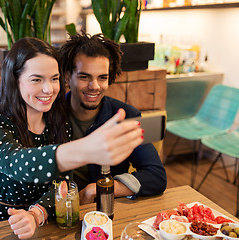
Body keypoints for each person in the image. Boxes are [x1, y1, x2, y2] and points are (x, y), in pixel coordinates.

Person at [0, 37, 143, 240]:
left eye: (54, 79)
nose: (49, 89)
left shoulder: (58, 122)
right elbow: (20, 164)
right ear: (14, 80)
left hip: (39, 225)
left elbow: (63, 184)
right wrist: (85, 149)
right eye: (37, 80)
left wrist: (35, 215)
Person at [59, 32, 167, 205]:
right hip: (57, 214)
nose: (94, 86)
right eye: (84, 77)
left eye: (102, 78)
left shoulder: (127, 115)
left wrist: (97, 189)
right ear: (67, 77)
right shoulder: (49, 115)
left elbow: (156, 176)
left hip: (106, 212)